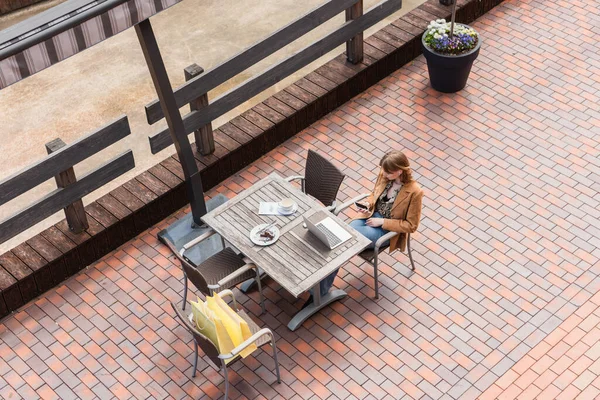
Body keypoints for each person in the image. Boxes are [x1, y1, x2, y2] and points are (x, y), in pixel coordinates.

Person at [303, 150, 424, 308]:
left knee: (341, 244)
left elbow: (411, 225)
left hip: (385, 229)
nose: (384, 174)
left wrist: (382, 222)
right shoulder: (385, 175)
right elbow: (374, 195)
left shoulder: (415, 192)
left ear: (399, 171)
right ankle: (319, 288)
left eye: (388, 172)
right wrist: (367, 206)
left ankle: (319, 292)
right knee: (340, 241)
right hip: (369, 218)